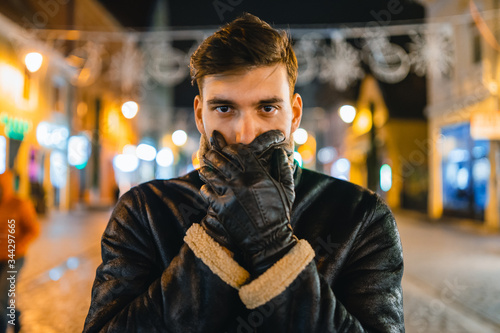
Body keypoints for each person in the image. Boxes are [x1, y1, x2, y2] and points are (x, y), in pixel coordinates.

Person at [83, 13, 404, 333]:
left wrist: (274, 244)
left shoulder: (360, 216)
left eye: (267, 108)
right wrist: (217, 236)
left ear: (294, 115)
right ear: (199, 114)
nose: (245, 133)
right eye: (224, 108)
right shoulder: (144, 211)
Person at [0, 170, 40, 333]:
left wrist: (18, 245)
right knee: (2, 299)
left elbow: (33, 229)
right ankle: (15, 315)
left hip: (14, 258)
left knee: (1, 296)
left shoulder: (20, 204)